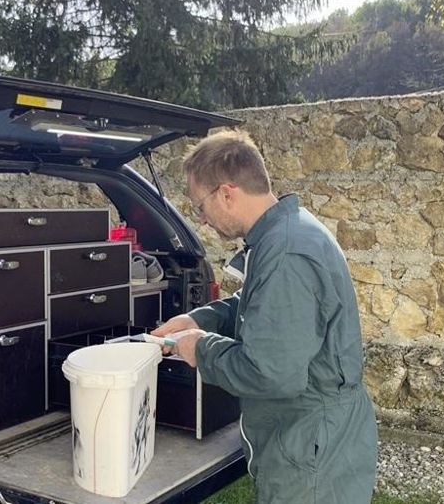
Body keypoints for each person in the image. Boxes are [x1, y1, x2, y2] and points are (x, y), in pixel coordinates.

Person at [152, 130, 378, 503]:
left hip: (311, 449)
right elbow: (262, 307)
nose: (202, 221)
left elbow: (270, 372)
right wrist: (200, 321)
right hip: (312, 436)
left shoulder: (287, 253)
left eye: (199, 207)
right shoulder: (284, 233)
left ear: (226, 192)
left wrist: (200, 349)